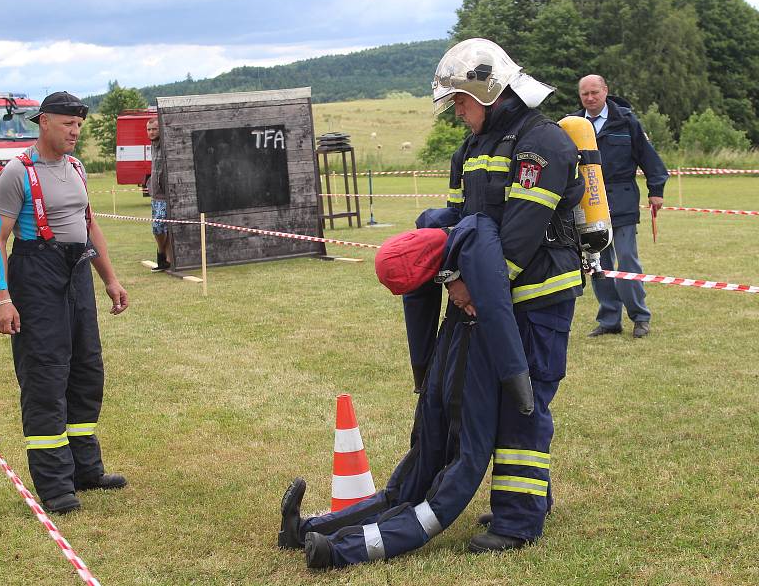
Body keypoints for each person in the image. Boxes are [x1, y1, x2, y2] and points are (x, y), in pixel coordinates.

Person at [277, 38, 584, 568]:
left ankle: (518, 521)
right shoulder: (471, 149)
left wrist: (472, 288)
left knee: (525, 402)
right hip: (483, 301)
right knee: (485, 403)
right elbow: (460, 227)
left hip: (536, 299)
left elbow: (521, 236)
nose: (457, 113)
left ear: (489, 89)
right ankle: (527, 501)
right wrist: (439, 267)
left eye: (461, 101)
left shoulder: (543, 144)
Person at [0, 91, 129, 514]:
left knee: (86, 369)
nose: (75, 132)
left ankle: (86, 470)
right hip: (35, 274)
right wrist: (1, 298)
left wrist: (111, 280)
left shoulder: (78, 168)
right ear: (44, 121)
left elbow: (90, 226)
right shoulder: (17, 172)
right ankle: (54, 485)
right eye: (68, 124)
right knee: (46, 375)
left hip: (76, 273)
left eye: (80, 125)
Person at [572, 75, 668, 338]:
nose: (590, 98)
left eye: (594, 92)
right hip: (589, 203)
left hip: (622, 198)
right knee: (598, 262)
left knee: (626, 259)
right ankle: (609, 319)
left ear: (605, 92)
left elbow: (649, 157)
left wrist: (656, 190)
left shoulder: (626, 121)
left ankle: (640, 316)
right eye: (584, 94)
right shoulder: (573, 125)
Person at [146, 117, 171, 271]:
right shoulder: (153, 145)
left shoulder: (165, 143)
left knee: (167, 228)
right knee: (158, 229)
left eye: (154, 129)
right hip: (156, 195)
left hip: (167, 194)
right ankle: (162, 254)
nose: (151, 132)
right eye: (149, 129)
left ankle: (165, 259)